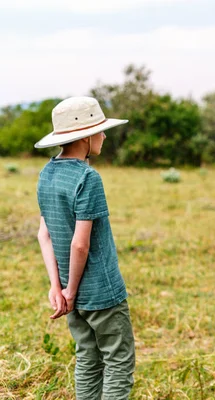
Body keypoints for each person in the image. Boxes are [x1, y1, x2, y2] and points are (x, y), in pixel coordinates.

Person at [34, 96, 135, 399]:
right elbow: (80, 244)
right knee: (118, 361)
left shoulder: (46, 174)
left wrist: (59, 288)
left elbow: (44, 234)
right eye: (101, 130)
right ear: (87, 136)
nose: (104, 136)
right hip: (100, 292)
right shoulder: (88, 178)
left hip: (68, 290)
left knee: (87, 358)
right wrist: (73, 290)